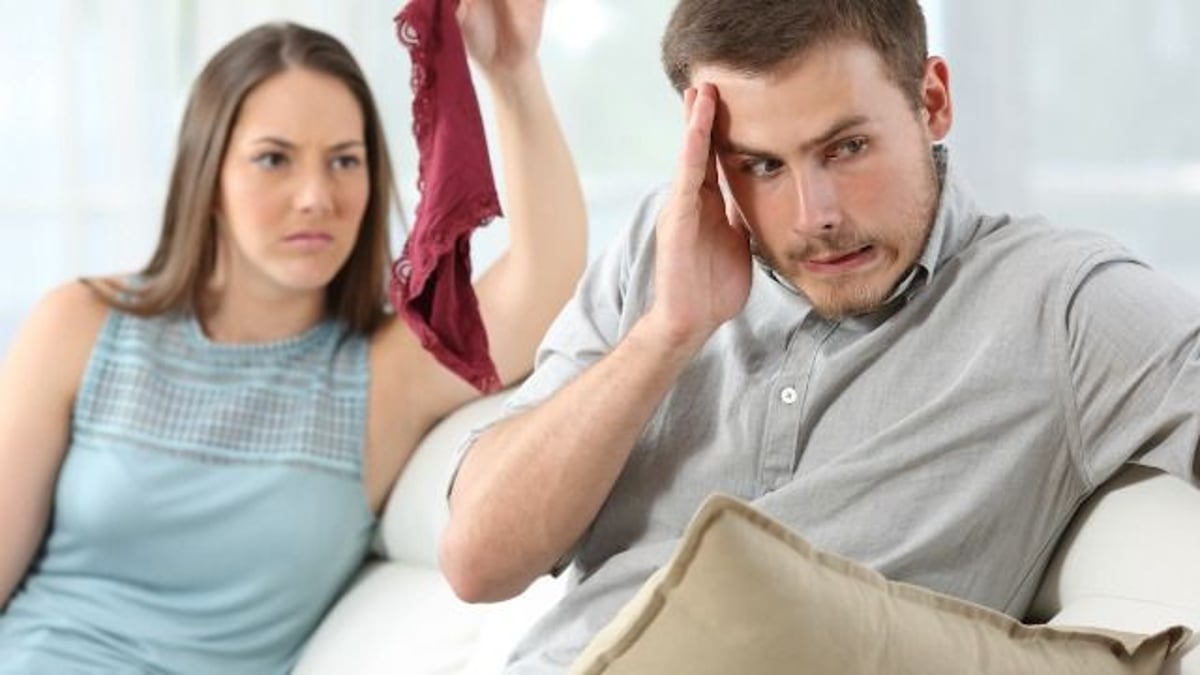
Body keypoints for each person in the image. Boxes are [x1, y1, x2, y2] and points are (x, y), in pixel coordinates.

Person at [439, 0, 1200, 671]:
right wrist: (667, 332)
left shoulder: (1060, 305)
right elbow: (477, 561)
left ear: (932, 101)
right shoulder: (657, 248)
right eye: (761, 165)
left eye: (847, 148)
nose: (815, 216)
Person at [0, 1, 585, 672]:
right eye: (273, 159)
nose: (315, 196)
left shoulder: (380, 378)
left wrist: (511, 73)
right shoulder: (81, 323)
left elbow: (542, 282)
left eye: (344, 161)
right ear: (208, 176)